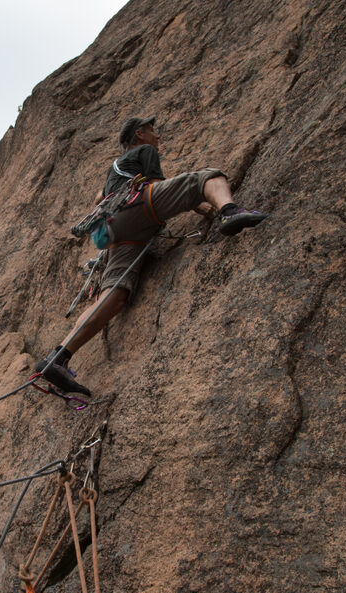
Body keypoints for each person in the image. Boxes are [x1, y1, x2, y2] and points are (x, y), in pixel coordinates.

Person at [37, 116, 270, 396]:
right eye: (152, 130)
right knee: (207, 176)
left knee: (116, 292)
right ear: (140, 134)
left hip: (115, 230)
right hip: (139, 207)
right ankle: (230, 211)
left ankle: (60, 356)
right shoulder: (144, 151)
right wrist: (204, 206)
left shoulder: (114, 171)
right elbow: (161, 185)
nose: (156, 136)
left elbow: (99, 199)